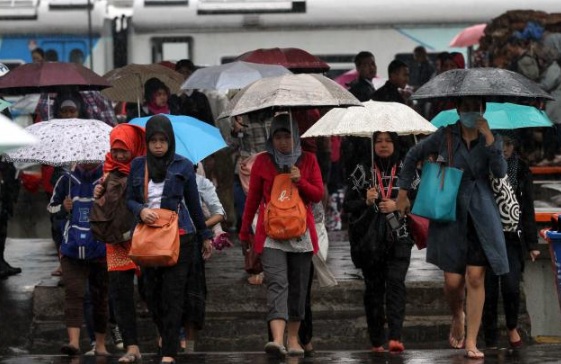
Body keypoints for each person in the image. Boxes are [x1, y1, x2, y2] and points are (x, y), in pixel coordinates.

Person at [395, 96, 508, 360]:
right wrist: (403, 192)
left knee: (476, 277)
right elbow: (413, 155)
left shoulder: (492, 138)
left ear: (483, 109)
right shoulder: (445, 135)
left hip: (480, 213)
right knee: (453, 280)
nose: (470, 112)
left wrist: (489, 139)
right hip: (450, 212)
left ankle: (471, 340)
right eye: (465, 107)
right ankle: (457, 313)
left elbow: (500, 171)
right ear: (458, 110)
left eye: (475, 107)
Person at [126, 114, 213, 364]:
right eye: (153, 140)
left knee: (174, 295)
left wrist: (205, 235)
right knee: (151, 293)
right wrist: (140, 210)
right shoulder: (138, 166)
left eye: (163, 140)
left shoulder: (183, 165)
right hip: (148, 238)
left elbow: (195, 204)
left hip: (180, 237)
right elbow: (128, 199)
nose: (158, 145)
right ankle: (165, 336)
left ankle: (169, 352)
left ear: (170, 141)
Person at [239, 114, 324, 358]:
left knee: (298, 288)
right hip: (271, 235)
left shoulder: (308, 160)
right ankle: (277, 339)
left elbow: (318, 194)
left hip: (301, 234)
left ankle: (294, 338)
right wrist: (244, 231)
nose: (283, 141)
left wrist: (301, 181)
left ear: (296, 136)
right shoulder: (263, 163)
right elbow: (253, 198)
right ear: (271, 138)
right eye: (278, 136)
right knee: (277, 283)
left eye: (287, 136)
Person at [343, 132, 414, 353]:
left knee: (395, 283)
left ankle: (395, 336)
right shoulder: (362, 170)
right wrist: (366, 200)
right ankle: (376, 339)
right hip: (370, 240)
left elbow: (420, 198)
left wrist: (399, 204)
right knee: (373, 288)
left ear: (396, 143)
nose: (383, 145)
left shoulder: (407, 170)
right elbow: (348, 205)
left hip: (400, 236)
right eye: (379, 141)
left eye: (388, 140)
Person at [93, 124, 146, 363]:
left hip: (144, 238)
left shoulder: (146, 168)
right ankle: (131, 346)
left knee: (152, 291)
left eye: (124, 150)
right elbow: (103, 199)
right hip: (116, 241)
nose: (120, 156)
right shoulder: (107, 169)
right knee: (120, 294)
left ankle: (166, 339)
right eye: (116, 150)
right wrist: (99, 192)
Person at [482, 133, 540, 349]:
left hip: (512, 236)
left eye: (507, 144)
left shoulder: (521, 169)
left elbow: (528, 208)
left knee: (511, 285)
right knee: (487, 288)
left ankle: (512, 326)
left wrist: (532, 243)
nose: (504, 148)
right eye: (500, 144)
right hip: (487, 234)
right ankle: (489, 335)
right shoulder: (483, 167)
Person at [48, 162, 110, 357]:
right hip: (72, 248)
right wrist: (63, 208)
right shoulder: (65, 180)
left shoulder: (107, 180)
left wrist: (105, 199)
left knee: (100, 297)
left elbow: (120, 208)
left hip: (100, 247)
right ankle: (73, 343)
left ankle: (100, 344)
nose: (87, 160)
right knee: (73, 294)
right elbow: (51, 207)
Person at [169, 59, 215, 125]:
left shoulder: (200, 98)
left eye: (187, 72)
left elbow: (209, 123)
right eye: (180, 72)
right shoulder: (171, 98)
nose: (184, 76)